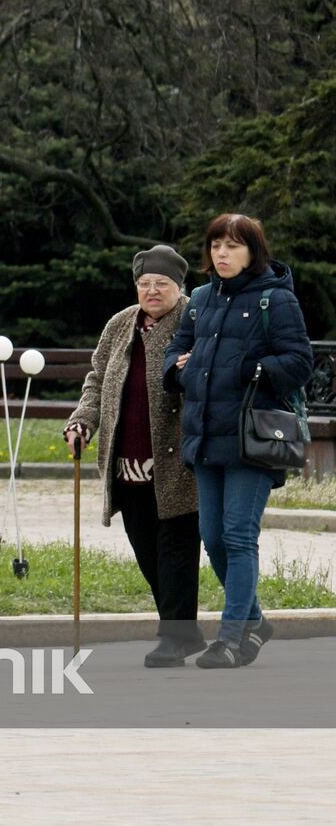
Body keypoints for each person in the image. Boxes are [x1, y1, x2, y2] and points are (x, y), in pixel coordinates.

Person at [164, 214, 313, 668]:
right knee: (213, 538)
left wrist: (256, 369)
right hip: (206, 435)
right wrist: (177, 369)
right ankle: (256, 622)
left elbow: (300, 360)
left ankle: (231, 638)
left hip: (254, 439)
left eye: (232, 246)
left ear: (253, 251)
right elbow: (177, 350)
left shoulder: (276, 300)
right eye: (215, 246)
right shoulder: (201, 299)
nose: (222, 254)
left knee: (239, 535)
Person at [64, 245, 203, 667]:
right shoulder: (120, 323)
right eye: (144, 283)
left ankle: (173, 637)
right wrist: (82, 422)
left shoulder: (197, 318)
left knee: (175, 550)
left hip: (179, 463)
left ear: (180, 287)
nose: (152, 291)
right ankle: (185, 632)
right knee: (147, 550)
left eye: (162, 283)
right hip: (128, 464)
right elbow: (97, 379)